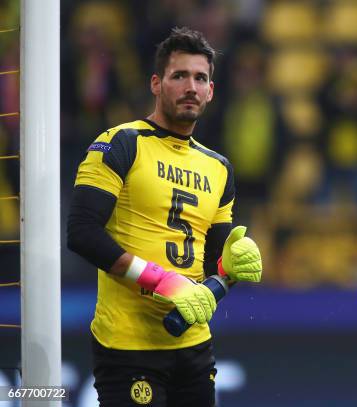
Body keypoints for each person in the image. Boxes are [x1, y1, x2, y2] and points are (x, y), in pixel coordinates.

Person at [67, 27, 262, 406]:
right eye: (179, 76)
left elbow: (213, 264)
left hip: (193, 346)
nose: (191, 86)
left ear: (210, 91)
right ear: (156, 84)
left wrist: (232, 269)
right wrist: (162, 281)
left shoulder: (219, 167)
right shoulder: (120, 143)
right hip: (127, 345)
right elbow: (81, 233)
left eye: (200, 78)